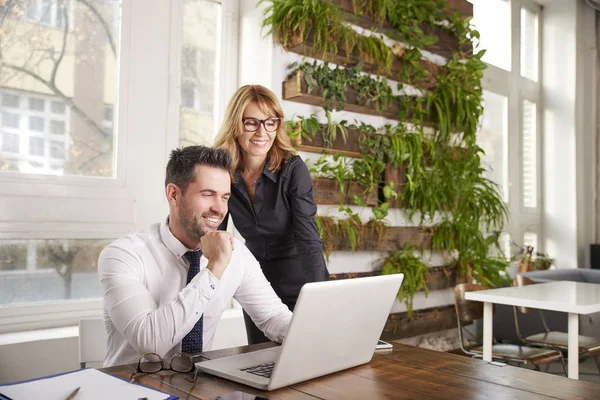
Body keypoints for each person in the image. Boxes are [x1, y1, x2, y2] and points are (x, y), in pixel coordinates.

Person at [98, 145, 292, 367]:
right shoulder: (123, 255)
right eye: (208, 194)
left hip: (198, 386)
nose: (219, 209)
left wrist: (314, 336)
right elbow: (150, 346)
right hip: (133, 388)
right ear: (174, 194)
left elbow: (273, 318)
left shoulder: (236, 253)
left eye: (225, 197)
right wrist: (215, 267)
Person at [214, 85, 329, 345]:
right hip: (255, 286)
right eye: (252, 123)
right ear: (235, 124)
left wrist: (320, 297)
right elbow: (215, 234)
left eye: (270, 122)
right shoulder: (222, 169)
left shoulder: (292, 169)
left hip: (301, 281)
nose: (262, 132)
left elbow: (308, 237)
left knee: (306, 361)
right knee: (260, 363)